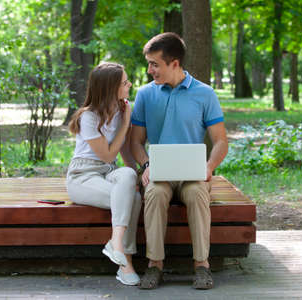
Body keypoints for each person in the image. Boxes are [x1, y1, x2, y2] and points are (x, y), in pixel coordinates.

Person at [130, 32, 228, 290]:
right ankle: (154, 265)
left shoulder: (205, 94)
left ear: (174, 63)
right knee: (154, 194)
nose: (150, 70)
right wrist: (146, 166)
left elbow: (220, 141)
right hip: (159, 174)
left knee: (197, 193)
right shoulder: (145, 95)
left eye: (155, 64)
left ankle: (202, 266)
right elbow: (136, 142)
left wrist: (208, 168)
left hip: (192, 175)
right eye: (149, 63)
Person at [66, 62, 142, 286]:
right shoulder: (88, 117)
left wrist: (138, 176)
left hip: (108, 172)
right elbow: (108, 155)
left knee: (129, 177)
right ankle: (125, 263)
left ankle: (115, 243)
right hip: (83, 176)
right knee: (133, 199)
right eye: (124, 82)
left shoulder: (121, 109)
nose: (129, 85)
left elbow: (125, 149)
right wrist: (126, 122)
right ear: (110, 88)